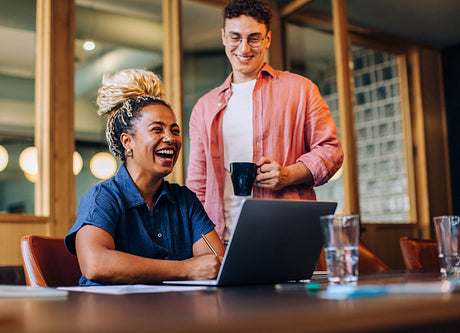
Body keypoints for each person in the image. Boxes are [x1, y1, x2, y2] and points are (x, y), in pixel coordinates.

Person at [186, 0, 344, 243]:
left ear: (268, 39)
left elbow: (332, 151)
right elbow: (198, 186)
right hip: (221, 241)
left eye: (254, 38)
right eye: (235, 37)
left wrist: (288, 175)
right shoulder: (203, 108)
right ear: (223, 37)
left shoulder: (301, 89)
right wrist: (198, 243)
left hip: (287, 234)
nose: (244, 48)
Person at [65, 69, 225, 285]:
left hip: (173, 313)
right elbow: (95, 265)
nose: (170, 138)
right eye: (157, 130)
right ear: (127, 141)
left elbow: (217, 260)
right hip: (109, 314)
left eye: (175, 131)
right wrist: (184, 268)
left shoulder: (184, 200)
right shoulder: (102, 198)